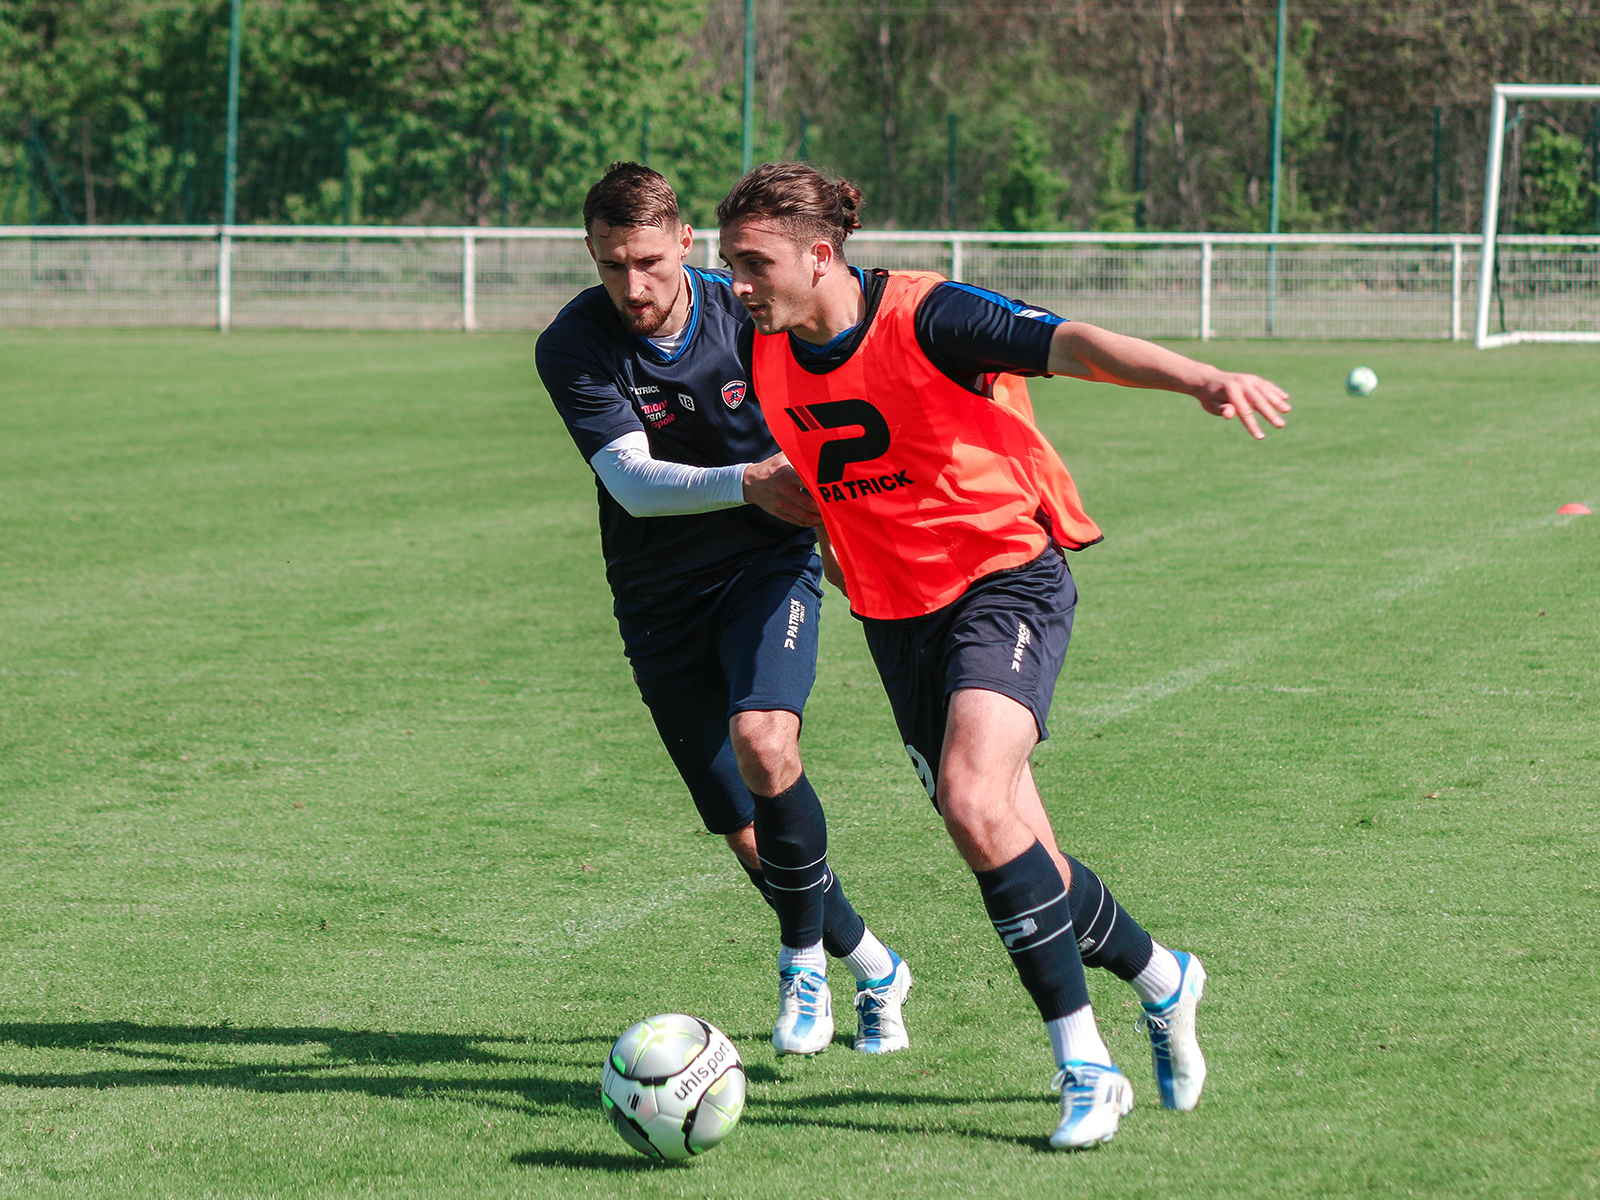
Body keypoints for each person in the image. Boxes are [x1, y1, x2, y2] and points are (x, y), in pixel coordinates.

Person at [715, 162, 1292, 1148]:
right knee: (1021, 851)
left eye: (754, 263)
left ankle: (1085, 1067)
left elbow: (1070, 343)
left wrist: (1201, 379)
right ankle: (1164, 977)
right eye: (730, 263)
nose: (737, 283)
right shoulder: (759, 341)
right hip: (896, 621)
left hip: (1002, 581)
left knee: (974, 799)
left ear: (820, 256)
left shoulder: (929, 317)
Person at [534, 162, 912, 1057]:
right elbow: (632, 483)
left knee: (766, 742)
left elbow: (832, 404)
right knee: (745, 830)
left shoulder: (747, 312)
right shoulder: (574, 343)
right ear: (590, 252)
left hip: (765, 564)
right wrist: (748, 480)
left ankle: (800, 967)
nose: (634, 285)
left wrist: (844, 533)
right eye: (613, 264)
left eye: (651, 262)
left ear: (685, 243)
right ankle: (874, 964)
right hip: (656, 600)